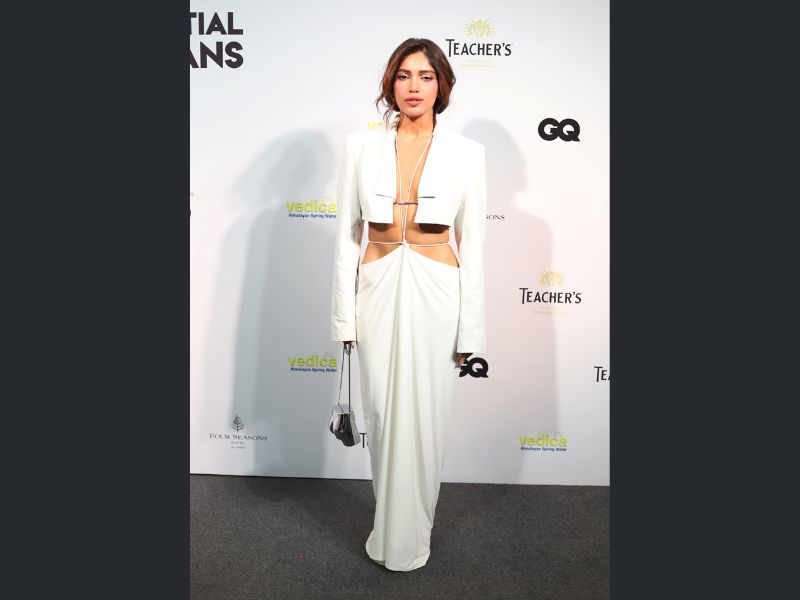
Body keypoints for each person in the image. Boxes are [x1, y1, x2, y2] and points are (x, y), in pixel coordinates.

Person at [330, 37, 487, 571]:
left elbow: (474, 246)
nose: (413, 86)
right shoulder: (359, 146)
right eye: (403, 75)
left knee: (426, 417)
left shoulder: (468, 153)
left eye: (425, 76)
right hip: (376, 287)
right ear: (390, 84)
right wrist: (344, 318)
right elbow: (346, 239)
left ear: (441, 85)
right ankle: (389, 529)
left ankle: (413, 536)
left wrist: (471, 332)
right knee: (381, 412)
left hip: (439, 292)